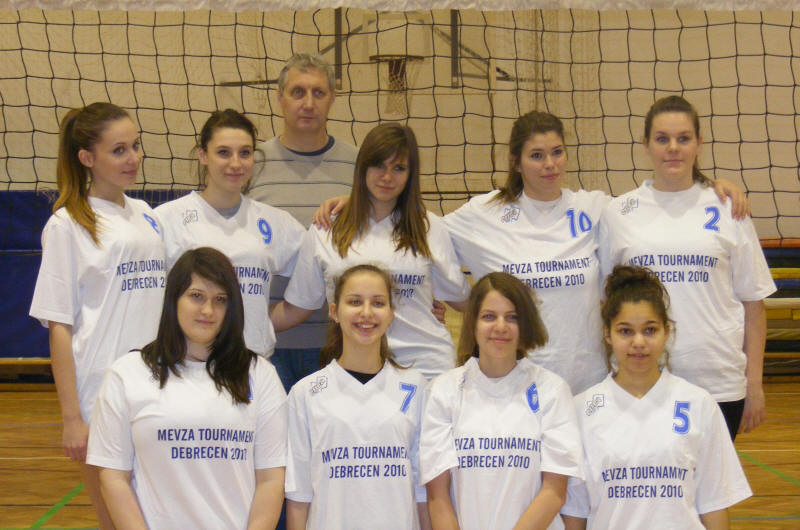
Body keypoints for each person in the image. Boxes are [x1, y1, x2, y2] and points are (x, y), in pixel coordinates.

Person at [315, 111, 747, 395]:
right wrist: (359, 202)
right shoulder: (481, 215)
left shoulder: (595, 209)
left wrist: (708, 190)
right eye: (537, 155)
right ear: (516, 162)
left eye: (556, 153)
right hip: (515, 376)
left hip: (587, 378)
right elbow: (415, 224)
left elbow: (655, 205)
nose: (549, 164)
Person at [598, 95, 776, 439]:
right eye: (662, 139)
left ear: (699, 143)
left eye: (683, 138)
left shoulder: (729, 209)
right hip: (642, 381)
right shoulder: (618, 213)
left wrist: (754, 384)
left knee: (711, 477)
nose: (673, 148)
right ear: (646, 145)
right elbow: (604, 302)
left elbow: (753, 304)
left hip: (718, 382)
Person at [29, 102, 165, 529]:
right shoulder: (67, 225)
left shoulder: (147, 215)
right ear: (87, 158)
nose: (133, 158)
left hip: (156, 387)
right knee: (117, 520)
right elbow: (59, 326)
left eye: (135, 146)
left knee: (157, 514)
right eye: (118, 150)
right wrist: (73, 418)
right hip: (101, 394)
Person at [87, 247, 287, 529]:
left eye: (220, 300)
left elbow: (271, 479)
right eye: (196, 296)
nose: (208, 310)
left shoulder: (260, 375)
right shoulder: (127, 374)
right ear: (173, 299)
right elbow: (113, 478)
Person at [271, 123, 469, 379]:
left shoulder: (429, 227)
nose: (387, 177)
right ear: (362, 167)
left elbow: (463, 301)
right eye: (378, 165)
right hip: (352, 367)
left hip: (424, 367)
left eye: (399, 168)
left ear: (410, 174)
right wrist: (238, 324)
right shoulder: (326, 229)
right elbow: (297, 308)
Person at [561, 265, 751, 529]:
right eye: (625, 331)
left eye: (650, 330)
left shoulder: (698, 404)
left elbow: (713, 503)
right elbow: (575, 510)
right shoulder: (581, 410)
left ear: (667, 331)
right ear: (608, 334)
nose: (639, 342)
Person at [421, 272, 583, 530]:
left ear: (526, 324)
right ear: (473, 323)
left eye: (512, 317)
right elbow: (438, 498)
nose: (500, 326)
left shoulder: (552, 390)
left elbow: (554, 492)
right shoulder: (443, 390)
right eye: (489, 316)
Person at [284, 264, 430, 530]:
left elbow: (423, 491)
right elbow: (298, 495)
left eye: (378, 303)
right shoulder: (305, 393)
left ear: (391, 313)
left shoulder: (415, 388)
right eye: (354, 302)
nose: (366, 312)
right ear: (334, 311)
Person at [155, 109, 304, 358]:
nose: (236, 164)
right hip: (188, 361)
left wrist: (261, 324)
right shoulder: (167, 219)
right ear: (203, 155)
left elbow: (318, 270)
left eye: (245, 153)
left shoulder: (276, 222)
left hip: (252, 361)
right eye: (223, 152)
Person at [248, 53, 357, 391]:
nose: (308, 103)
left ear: (332, 98)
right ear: (279, 97)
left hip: (339, 343)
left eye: (318, 93)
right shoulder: (251, 164)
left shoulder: (361, 166)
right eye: (297, 92)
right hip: (267, 344)